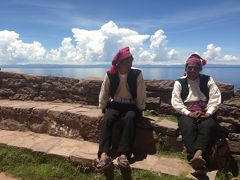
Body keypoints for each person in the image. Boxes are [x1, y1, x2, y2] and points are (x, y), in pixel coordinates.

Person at [97, 47, 146, 173]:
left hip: (130, 105)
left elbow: (141, 93)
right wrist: (103, 109)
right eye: (127, 61)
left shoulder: (136, 74)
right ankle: (104, 154)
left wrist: (140, 110)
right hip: (115, 103)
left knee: (130, 118)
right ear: (120, 63)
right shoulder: (110, 74)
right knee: (107, 119)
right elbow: (104, 92)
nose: (130, 64)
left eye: (131, 61)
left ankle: (123, 154)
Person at [171, 54, 221, 173]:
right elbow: (176, 101)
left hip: (204, 112)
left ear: (200, 69)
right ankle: (199, 158)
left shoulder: (208, 80)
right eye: (190, 67)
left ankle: (195, 157)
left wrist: (209, 112)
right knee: (188, 127)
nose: (192, 70)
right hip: (187, 113)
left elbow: (215, 97)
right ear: (185, 68)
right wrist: (188, 113)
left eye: (195, 68)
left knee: (208, 126)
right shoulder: (179, 82)